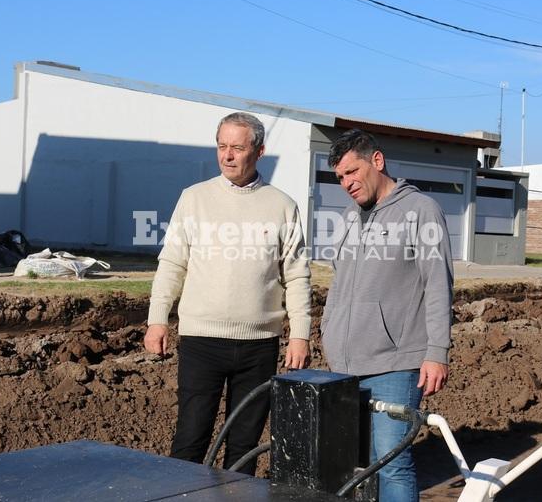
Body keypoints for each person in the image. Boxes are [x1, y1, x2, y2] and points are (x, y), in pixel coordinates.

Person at [144, 112, 311, 475]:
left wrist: (299, 334)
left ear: (260, 150)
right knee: (190, 440)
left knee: (243, 447)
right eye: (222, 146)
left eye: (237, 147)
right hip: (201, 340)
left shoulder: (282, 206)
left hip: (258, 346)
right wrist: (157, 319)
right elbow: (172, 263)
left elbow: (296, 276)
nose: (227, 155)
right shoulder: (194, 199)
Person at [321, 129, 453, 501]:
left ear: (376, 161)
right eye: (340, 177)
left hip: (396, 363)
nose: (346, 183)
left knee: (392, 462)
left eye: (352, 172)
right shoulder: (349, 217)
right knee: (358, 465)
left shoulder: (420, 211)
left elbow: (437, 284)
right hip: (345, 365)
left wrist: (437, 351)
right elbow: (341, 281)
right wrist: (329, 328)